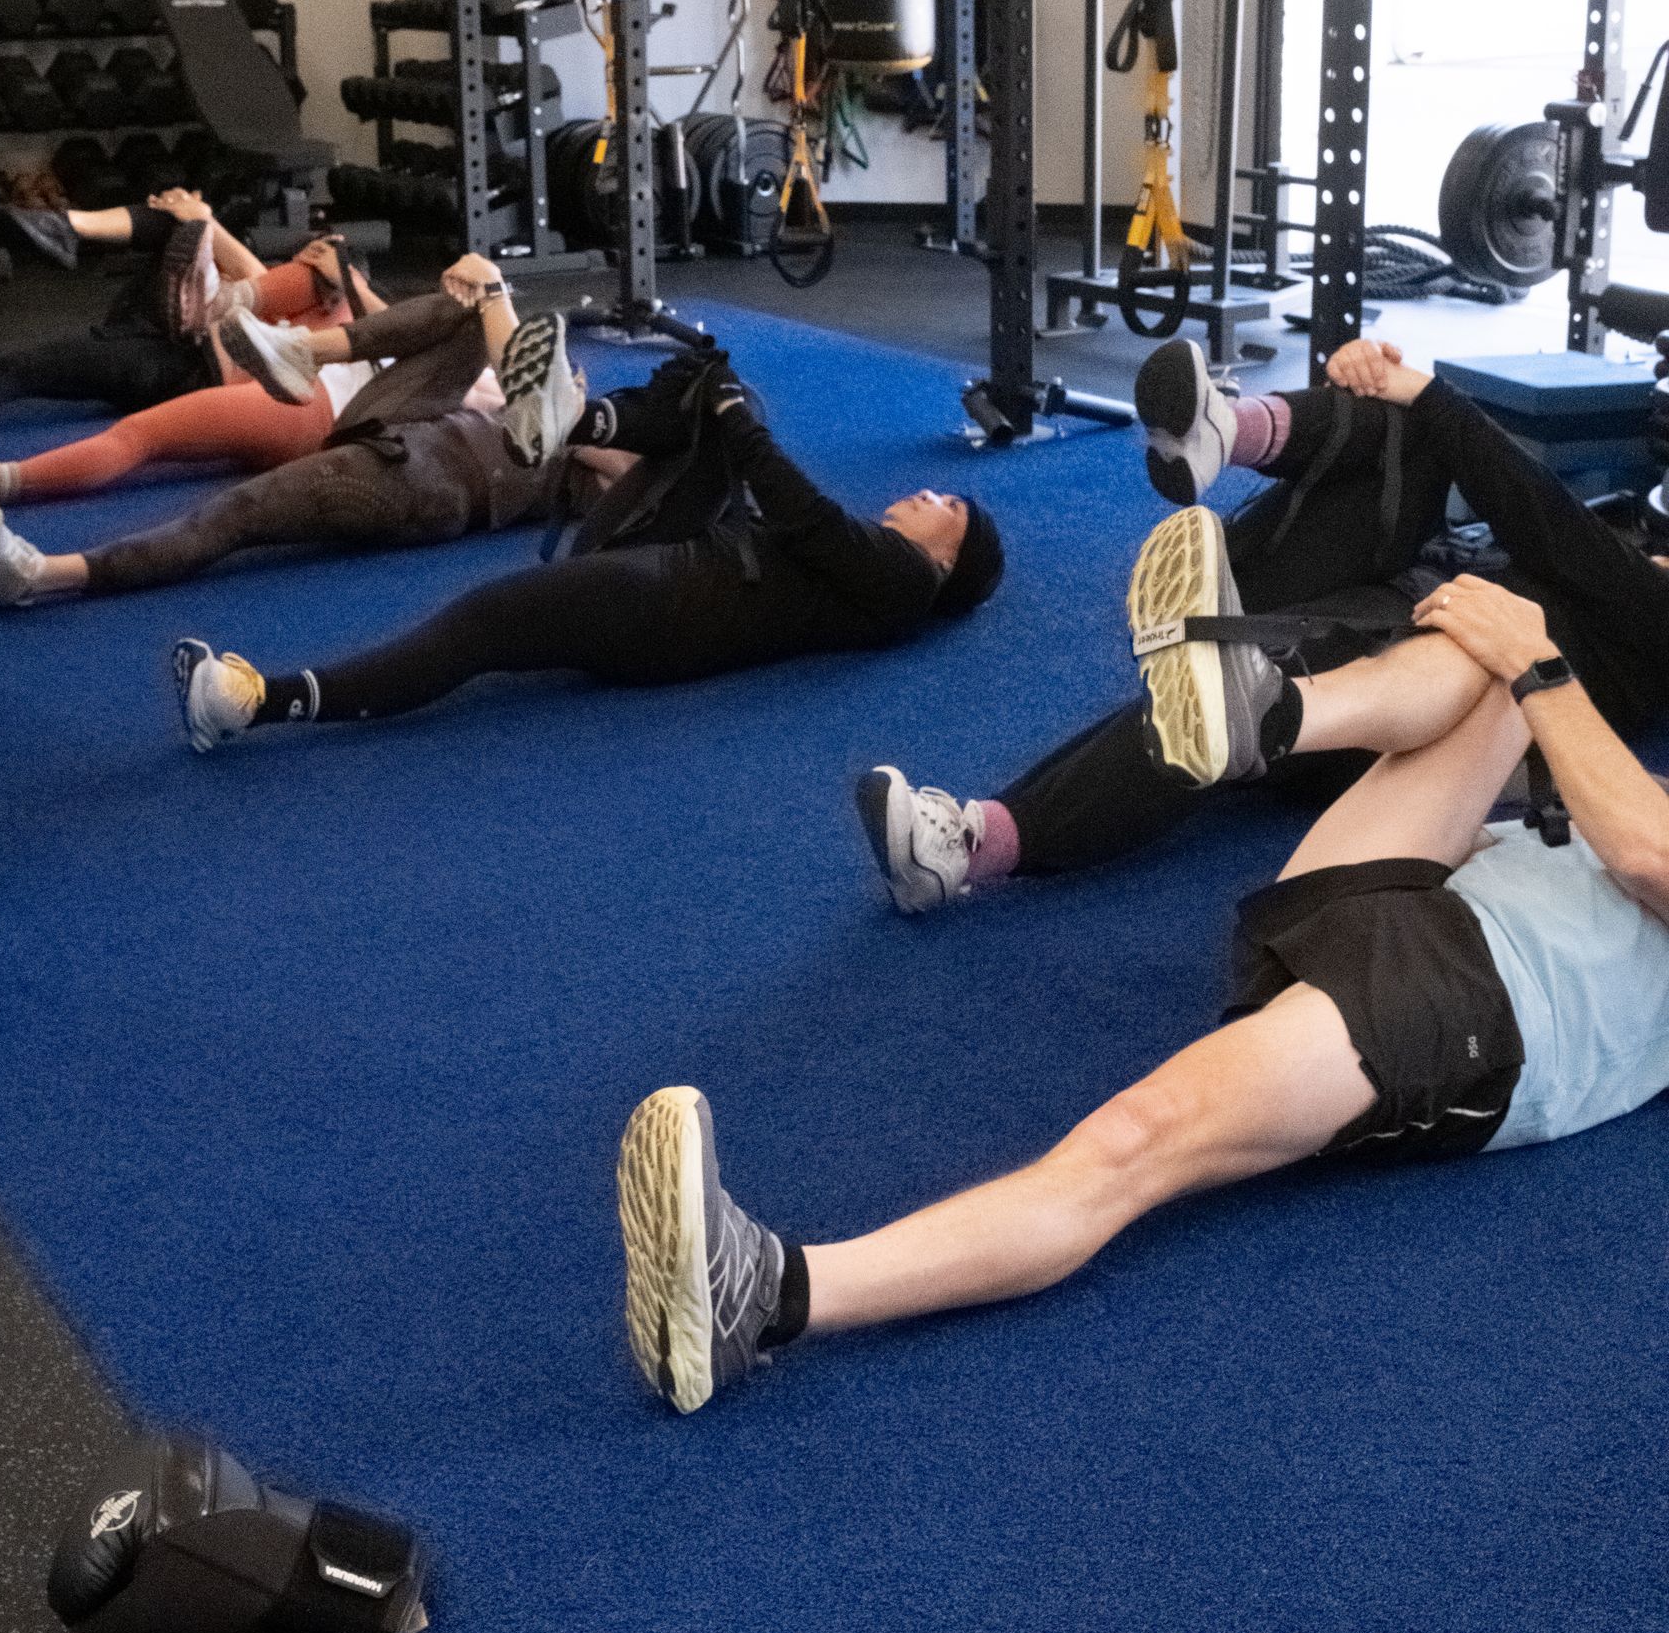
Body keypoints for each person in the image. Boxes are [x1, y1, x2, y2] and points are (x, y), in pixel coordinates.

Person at [616, 566, 1669, 1412]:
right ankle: (1265, 715)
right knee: (1502, 658)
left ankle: (770, 1294)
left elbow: (1644, 854)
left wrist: (1540, 664)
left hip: (1482, 1006)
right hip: (1426, 904)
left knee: (1137, 1139)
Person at [859, 332, 1669, 913]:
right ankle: (1228, 430)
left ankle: (966, 845)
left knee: (1219, 700)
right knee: (1407, 426)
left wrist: (1424, 390)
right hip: (1372, 590)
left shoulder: (1651, 619)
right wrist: (1377, 379)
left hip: (1376, 702)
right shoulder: (1635, 534)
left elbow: (1534, 513)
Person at [168, 339, 1006, 749]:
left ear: (947, 561)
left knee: (482, 624)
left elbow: (801, 513)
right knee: (720, 384)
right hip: (682, 563)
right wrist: (723, 406)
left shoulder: (905, 585)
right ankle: (579, 419)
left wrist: (737, 424)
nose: (930, 494)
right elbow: (780, 506)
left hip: (671, 608)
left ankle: (254, 702)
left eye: (948, 508)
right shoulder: (882, 573)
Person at [0, 253, 563, 607]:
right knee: (470, 301)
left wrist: (494, 293)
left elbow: (549, 420)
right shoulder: (499, 379)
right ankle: (301, 350)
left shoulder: (605, 453)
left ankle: (41, 573)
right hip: (402, 421)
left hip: (421, 473)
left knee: (233, 513)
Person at [0, 194, 365, 434]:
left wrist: (204, 225)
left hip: (178, 368)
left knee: (20, 370)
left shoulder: (347, 326)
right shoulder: (295, 288)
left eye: (324, 252)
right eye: (317, 246)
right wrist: (199, 218)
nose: (314, 249)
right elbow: (252, 277)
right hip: (175, 324)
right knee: (175, 221)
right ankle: (60, 225)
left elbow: (247, 286)